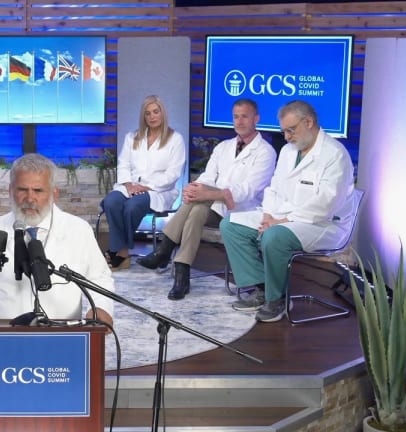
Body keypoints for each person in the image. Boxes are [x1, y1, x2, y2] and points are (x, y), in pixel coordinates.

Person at [0, 153, 114, 327]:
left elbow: (99, 278)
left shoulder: (79, 230)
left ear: (54, 193)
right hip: (3, 333)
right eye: (22, 190)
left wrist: (101, 308)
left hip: (62, 332)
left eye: (38, 191)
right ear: (10, 190)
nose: (30, 199)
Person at [220, 100, 355, 323]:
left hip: (322, 224)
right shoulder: (287, 151)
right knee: (230, 225)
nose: (287, 137)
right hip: (281, 217)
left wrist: (282, 220)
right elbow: (273, 188)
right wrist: (268, 215)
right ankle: (263, 288)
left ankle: (276, 300)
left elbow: (325, 204)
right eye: (284, 131)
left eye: (291, 130)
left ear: (308, 122)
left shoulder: (335, 154)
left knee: (274, 237)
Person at [137, 99, 277, 300]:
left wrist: (208, 194)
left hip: (241, 210)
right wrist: (194, 188)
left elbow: (248, 190)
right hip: (214, 208)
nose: (239, 121)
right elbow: (208, 177)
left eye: (244, 117)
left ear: (256, 119)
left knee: (198, 207)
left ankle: (165, 252)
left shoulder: (265, 152)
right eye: (235, 117)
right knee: (197, 209)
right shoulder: (223, 147)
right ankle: (180, 270)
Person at [100, 95, 186, 271]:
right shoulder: (132, 137)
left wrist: (147, 186)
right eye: (148, 113)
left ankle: (119, 252)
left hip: (159, 191)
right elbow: (123, 164)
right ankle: (122, 251)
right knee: (111, 201)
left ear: (162, 113)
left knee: (132, 206)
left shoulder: (175, 139)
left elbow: (173, 174)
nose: (152, 116)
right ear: (143, 116)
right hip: (130, 186)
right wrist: (128, 185)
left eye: (156, 112)